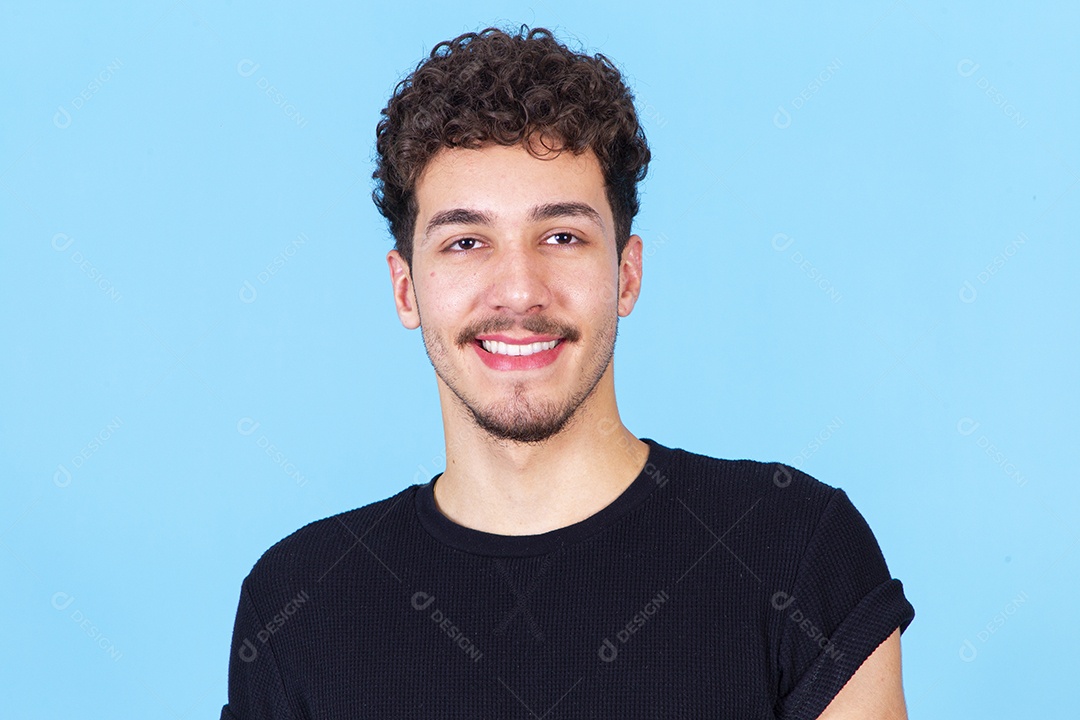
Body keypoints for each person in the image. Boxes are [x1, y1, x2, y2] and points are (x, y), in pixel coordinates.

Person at [221, 25, 914, 719]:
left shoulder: (793, 550)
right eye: (466, 242)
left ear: (626, 274)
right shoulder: (300, 605)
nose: (519, 290)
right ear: (406, 289)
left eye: (562, 237)